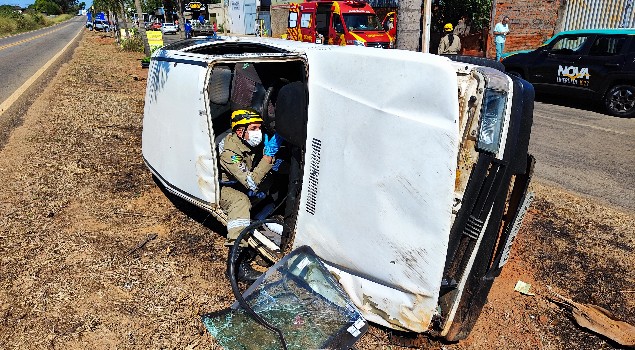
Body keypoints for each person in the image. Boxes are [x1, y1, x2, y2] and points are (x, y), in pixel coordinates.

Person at [218, 109, 283, 282]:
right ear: (240, 131)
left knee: (267, 193)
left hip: (239, 182)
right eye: (254, 128)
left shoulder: (248, 142)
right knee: (240, 201)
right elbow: (251, 182)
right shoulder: (230, 153)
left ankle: (256, 222)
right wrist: (268, 157)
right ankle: (236, 265)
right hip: (222, 188)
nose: (258, 133)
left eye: (259, 128)